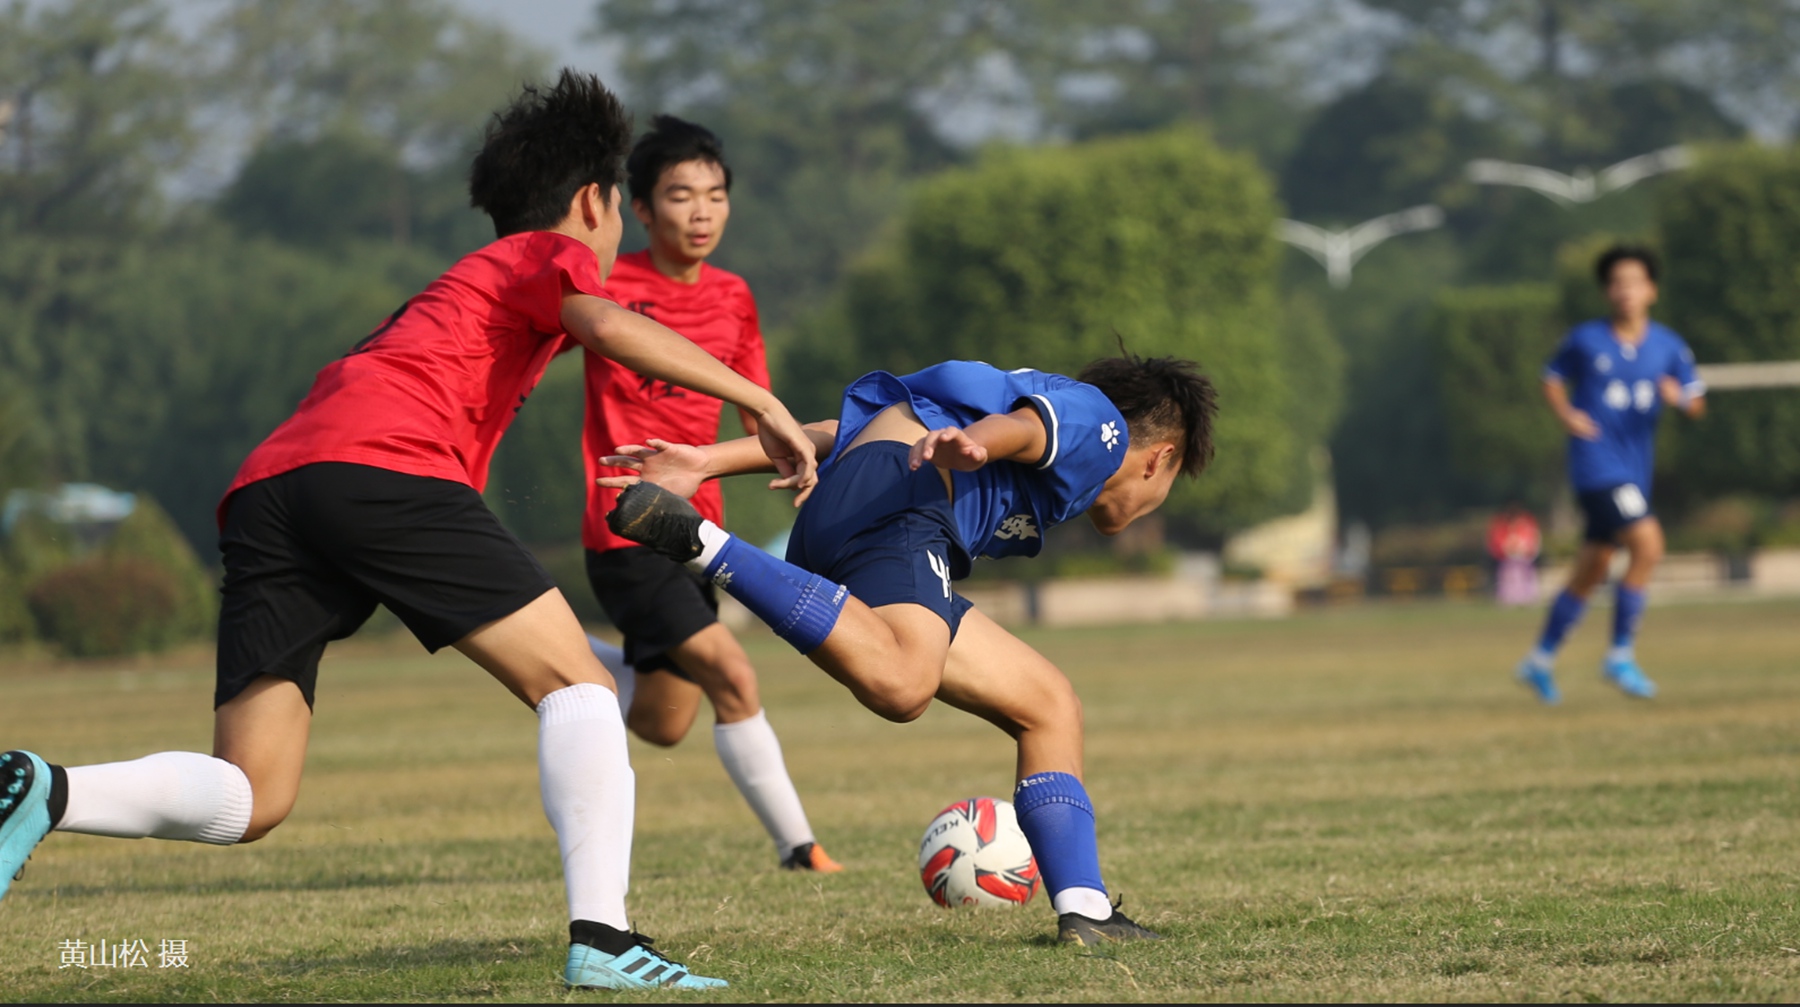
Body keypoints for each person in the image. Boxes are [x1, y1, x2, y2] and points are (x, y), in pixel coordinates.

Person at [0, 71, 822, 992]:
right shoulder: (545, 256)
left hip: (275, 486)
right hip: (382, 467)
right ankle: (605, 937)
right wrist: (758, 400)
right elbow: (601, 322)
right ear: (593, 201)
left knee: (253, 793)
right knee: (582, 686)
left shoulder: (464, 283)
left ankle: (43, 787)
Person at [601, 354, 1217, 946]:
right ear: (1160, 459)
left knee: (1048, 704)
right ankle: (703, 543)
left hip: (871, 499)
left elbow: (843, 429)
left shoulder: (1037, 402)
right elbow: (1026, 430)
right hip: (904, 497)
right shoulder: (1102, 425)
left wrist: (709, 460)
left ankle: (1087, 910)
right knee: (904, 684)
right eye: (1174, 479)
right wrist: (977, 443)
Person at [577, 115, 840, 873]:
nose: (701, 212)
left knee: (664, 720)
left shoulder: (733, 294)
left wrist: (791, 449)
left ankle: (545, 643)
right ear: (643, 207)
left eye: (716, 195)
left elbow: (760, 406)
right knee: (735, 674)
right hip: (626, 524)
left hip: (701, 531)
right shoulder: (605, 287)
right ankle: (801, 848)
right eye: (681, 195)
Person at [1516, 245, 1705, 705]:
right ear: (1607, 292)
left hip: (1635, 469)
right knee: (1649, 544)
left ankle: (1538, 661)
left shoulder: (1669, 346)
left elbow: (1697, 405)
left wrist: (1677, 398)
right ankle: (1620, 654)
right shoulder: (1585, 339)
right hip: (1596, 466)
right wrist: (1565, 414)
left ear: (1651, 291)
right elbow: (1550, 377)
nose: (1625, 291)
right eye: (1617, 283)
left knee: (1592, 568)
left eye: (1634, 282)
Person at [1488, 504, 1542, 606]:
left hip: (1524, 560)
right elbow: (1496, 544)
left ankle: (1528, 598)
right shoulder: (1501, 527)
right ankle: (1508, 599)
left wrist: (1523, 550)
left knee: (1526, 579)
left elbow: (1532, 542)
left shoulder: (1527, 526)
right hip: (1507, 560)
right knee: (1508, 580)